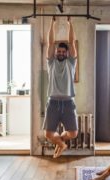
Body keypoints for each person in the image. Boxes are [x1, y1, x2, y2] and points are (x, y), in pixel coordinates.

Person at [43, 16, 78, 158]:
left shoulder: (71, 63)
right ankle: (62, 144)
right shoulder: (51, 63)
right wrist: (53, 23)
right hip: (53, 102)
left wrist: (70, 24)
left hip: (68, 102)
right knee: (48, 134)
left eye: (64, 51)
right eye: (59, 51)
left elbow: (72, 42)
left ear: (67, 53)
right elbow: (50, 42)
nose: (61, 53)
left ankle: (60, 142)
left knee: (73, 133)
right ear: (56, 52)